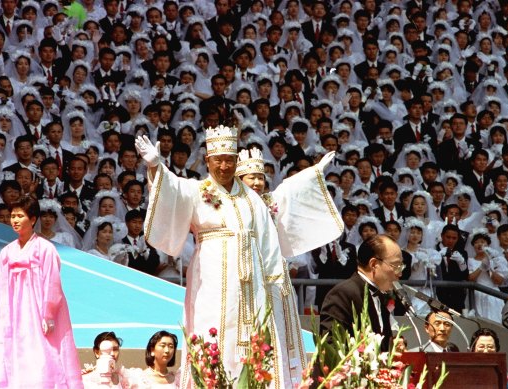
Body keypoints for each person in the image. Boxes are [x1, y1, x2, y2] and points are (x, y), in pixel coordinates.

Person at [135, 127, 294, 388]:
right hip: (210, 279)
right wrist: (156, 167)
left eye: (229, 160)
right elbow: (173, 188)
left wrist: (275, 284)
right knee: (212, 330)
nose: (223, 166)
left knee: (250, 336)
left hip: (251, 284)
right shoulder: (198, 191)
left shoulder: (252, 200)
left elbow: (268, 244)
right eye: (217, 160)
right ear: (207, 161)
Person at [234, 147, 344, 384]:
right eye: (251, 177)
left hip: (274, 275)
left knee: (279, 328)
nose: (256, 182)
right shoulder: (230, 205)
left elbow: (291, 189)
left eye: (260, 177)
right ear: (238, 179)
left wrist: (315, 170)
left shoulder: (270, 201)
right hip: (243, 276)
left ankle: (282, 380)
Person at [0, 196, 83, 388]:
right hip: (13, 308)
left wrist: (48, 314)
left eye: (20, 216)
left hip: (36, 308)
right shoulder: (6, 251)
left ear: (32, 219)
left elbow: (52, 283)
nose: (14, 220)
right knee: (13, 347)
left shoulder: (45, 249)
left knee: (40, 349)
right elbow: (0, 285)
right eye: (12, 216)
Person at [318, 234, 403, 352]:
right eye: (396, 266)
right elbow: (332, 349)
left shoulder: (380, 295)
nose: (399, 273)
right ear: (373, 264)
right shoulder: (342, 294)